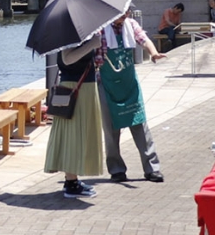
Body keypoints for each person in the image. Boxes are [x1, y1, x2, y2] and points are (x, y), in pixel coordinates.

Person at [96, 13, 166, 183]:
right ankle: (116, 169)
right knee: (111, 128)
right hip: (107, 83)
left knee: (139, 123)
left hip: (128, 83)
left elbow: (144, 39)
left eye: (127, 10)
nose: (125, 14)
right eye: (122, 11)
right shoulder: (100, 29)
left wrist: (154, 53)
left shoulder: (131, 24)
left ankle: (152, 169)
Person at [44, 35, 103, 198]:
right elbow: (67, 58)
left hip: (81, 88)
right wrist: (91, 44)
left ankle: (72, 180)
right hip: (76, 89)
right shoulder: (70, 33)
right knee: (74, 135)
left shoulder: (79, 32)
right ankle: (71, 183)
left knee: (77, 134)